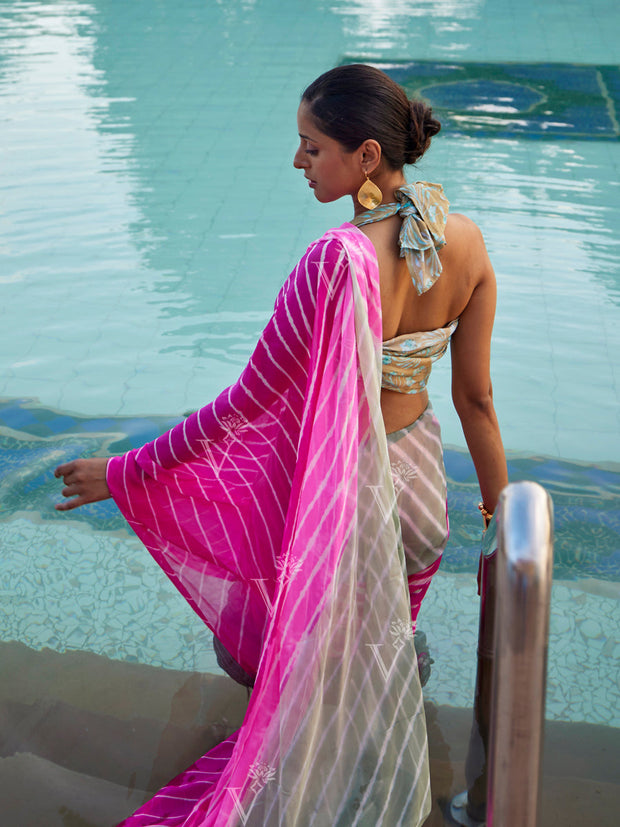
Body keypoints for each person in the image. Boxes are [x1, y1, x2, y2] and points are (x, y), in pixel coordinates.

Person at [55, 64, 507, 826]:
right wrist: (502, 521)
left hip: (352, 498)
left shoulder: (337, 260)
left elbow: (244, 406)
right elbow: (477, 399)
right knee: (385, 648)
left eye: (310, 148)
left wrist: (125, 471)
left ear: (366, 156)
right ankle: (369, 766)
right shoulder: (464, 238)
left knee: (296, 657)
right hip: (425, 491)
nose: (297, 163)